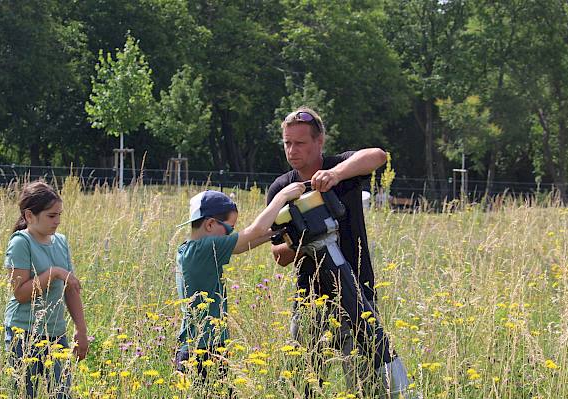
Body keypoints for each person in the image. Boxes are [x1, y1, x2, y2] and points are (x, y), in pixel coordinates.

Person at [267, 107, 417, 398]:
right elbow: (278, 254)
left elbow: (378, 155)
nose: (292, 150)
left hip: (357, 292)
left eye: (300, 143)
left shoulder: (342, 170)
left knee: (365, 386)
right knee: (305, 384)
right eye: (287, 143)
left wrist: (334, 175)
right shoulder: (281, 188)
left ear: (319, 141)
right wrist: (304, 239)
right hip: (309, 299)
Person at [174, 186, 305, 392]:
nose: (231, 234)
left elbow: (243, 245)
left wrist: (276, 233)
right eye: (230, 229)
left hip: (196, 349)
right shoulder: (206, 249)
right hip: (202, 353)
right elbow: (254, 231)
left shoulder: (189, 249)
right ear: (210, 224)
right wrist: (283, 196)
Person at [4, 181, 88, 399]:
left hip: (56, 334)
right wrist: (53, 273)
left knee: (62, 393)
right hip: (23, 335)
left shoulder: (61, 242)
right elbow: (20, 294)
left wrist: (81, 329)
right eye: (51, 216)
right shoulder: (21, 242)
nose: (58, 221)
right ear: (30, 215)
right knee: (24, 393)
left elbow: (71, 289)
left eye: (59, 214)